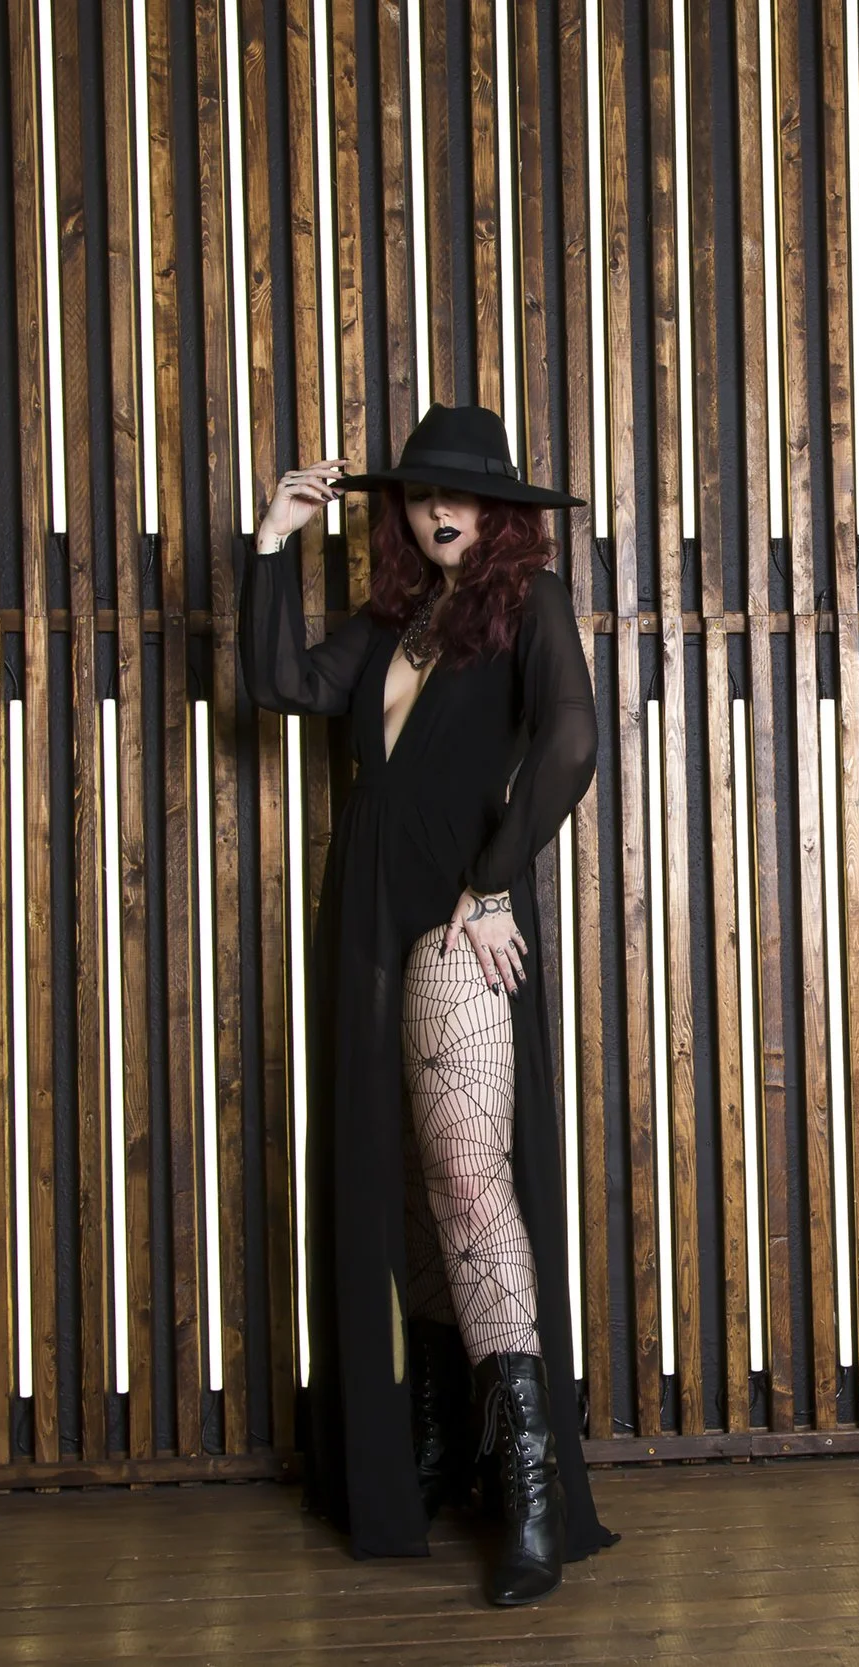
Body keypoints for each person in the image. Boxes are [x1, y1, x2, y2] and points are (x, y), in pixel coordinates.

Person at [238, 403, 615, 1606]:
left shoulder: (528, 605)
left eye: (460, 495)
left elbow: (570, 741)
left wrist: (494, 884)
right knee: (411, 1194)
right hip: (365, 920)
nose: (437, 511)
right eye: (416, 495)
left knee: (466, 1179)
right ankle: (447, 1447)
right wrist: (275, 536)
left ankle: (533, 1491)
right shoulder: (392, 619)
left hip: (458, 916)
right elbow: (281, 683)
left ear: (500, 510)